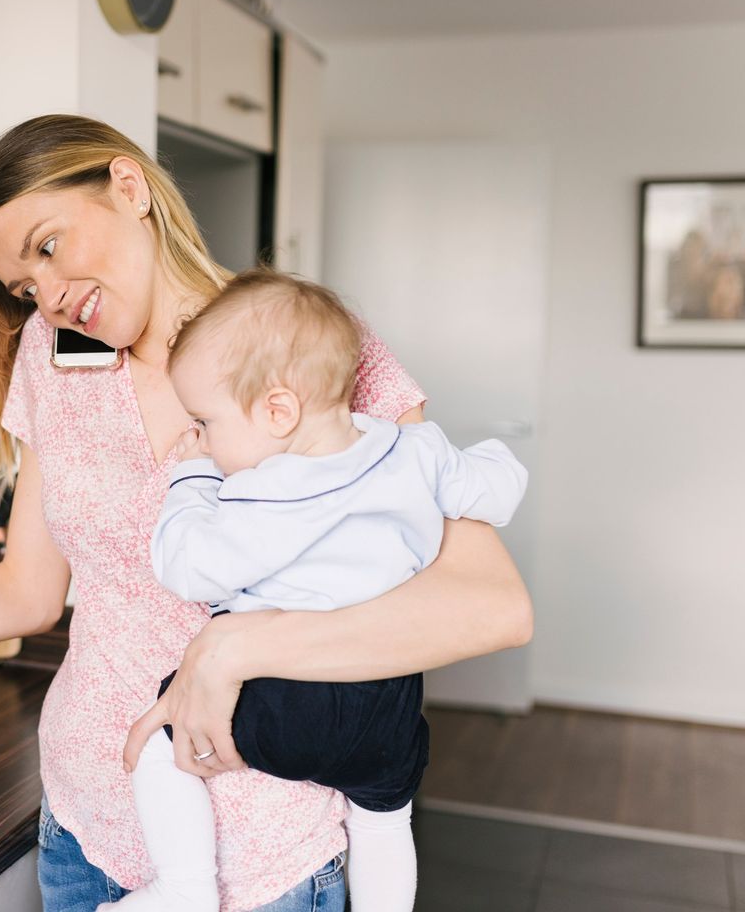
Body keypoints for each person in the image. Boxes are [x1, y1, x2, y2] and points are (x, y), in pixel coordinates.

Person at [0, 115, 533, 911]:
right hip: (84, 829)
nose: (52, 297)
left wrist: (232, 648)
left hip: (264, 855)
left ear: (128, 186)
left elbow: (490, 605)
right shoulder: (51, 360)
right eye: (26, 286)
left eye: (48, 246)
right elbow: (28, 593)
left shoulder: (309, 343)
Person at [107, 269, 528, 912]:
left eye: (206, 421)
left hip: (290, 697)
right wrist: (495, 463)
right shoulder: (413, 451)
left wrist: (190, 478)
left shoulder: (262, 494)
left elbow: (188, 566)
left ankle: (184, 889)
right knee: (384, 821)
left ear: (278, 411)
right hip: (388, 693)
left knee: (163, 739)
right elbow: (495, 491)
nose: (206, 439)